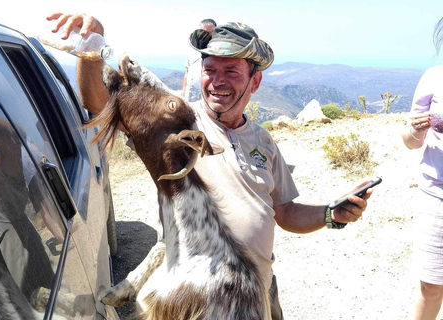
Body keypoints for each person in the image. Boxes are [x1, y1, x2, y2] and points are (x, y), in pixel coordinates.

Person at [46, 13, 373, 319]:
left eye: (231, 71)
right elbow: (97, 101)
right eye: (210, 70)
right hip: (194, 300)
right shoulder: (173, 121)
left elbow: (285, 212)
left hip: (256, 294)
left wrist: (331, 214)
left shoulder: (265, 143)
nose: (217, 81)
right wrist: (90, 50)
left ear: (254, 82)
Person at [402, 18, 443, 320]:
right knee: (431, 288)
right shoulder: (434, 77)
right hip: (436, 196)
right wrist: (416, 130)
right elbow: (410, 141)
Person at [182, 18, 217, 102]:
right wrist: (183, 91)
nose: (206, 36)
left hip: (206, 101)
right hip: (189, 100)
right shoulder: (193, 51)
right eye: (203, 33)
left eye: (210, 33)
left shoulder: (219, 54)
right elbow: (187, 72)